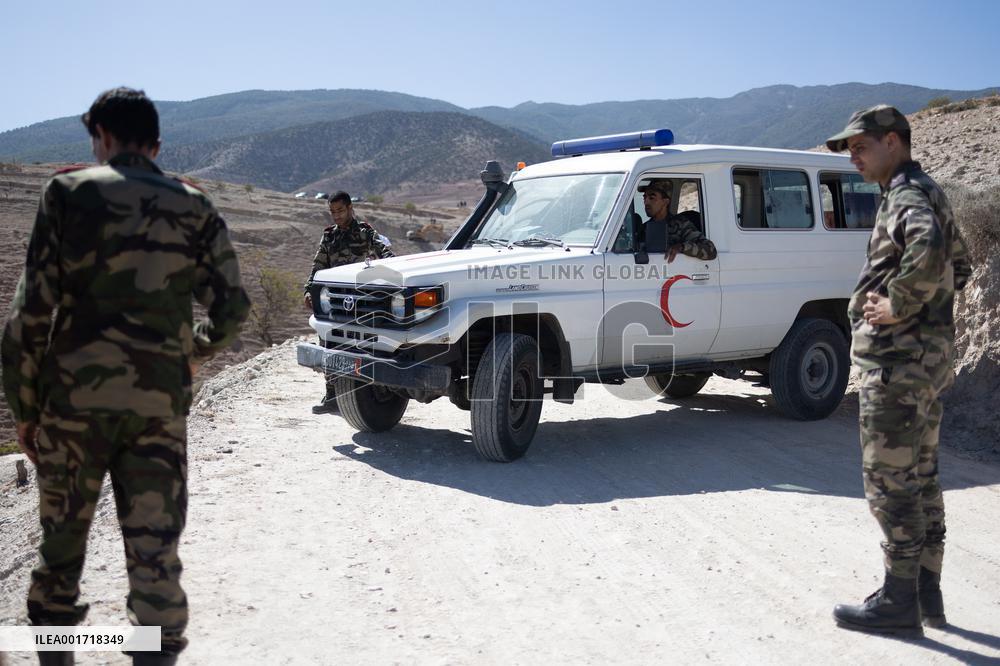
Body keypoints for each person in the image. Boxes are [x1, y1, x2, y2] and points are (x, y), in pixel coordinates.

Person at [1, 87, 251, 665]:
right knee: (155, 555)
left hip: (72, 404)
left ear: (103, 137)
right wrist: (192, 353)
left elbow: (29, 314)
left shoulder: (66, 193)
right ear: (156, 145)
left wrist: (26, 410)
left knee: (61, 553)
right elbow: (232, 306)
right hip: (158, 406)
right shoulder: (195, 204)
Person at [825, 105, 971, 637]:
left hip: (899, 361)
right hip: (926, 360)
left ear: (893, 141)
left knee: (889, 482)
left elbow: (931, 251)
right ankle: (925, 591)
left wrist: (899, 305)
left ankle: (897, 600)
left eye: (861, 147)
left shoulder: (908, 193)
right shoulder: (924, 189)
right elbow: (963, 263)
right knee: (921, 474)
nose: (855, 158)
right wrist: (929, 314)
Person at [303, 191, 394, 414]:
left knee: (362, 346)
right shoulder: (329, 236)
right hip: (335, 300)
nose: (336, 216)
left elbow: (386, 253)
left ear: (350, 208)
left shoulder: (365, 232)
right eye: (333, 212)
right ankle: (332, 396)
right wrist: (308, 290)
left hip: (361, 301)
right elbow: (318, 266)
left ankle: (368, 398)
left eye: (340, 211)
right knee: (329, 343)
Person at [638, 179, 717, 262]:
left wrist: (681, 247)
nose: (646, 202)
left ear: (665, 202)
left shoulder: (681, 225)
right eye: (645, 197)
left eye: (651, 198)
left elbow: (710, 250)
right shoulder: (644, 228)